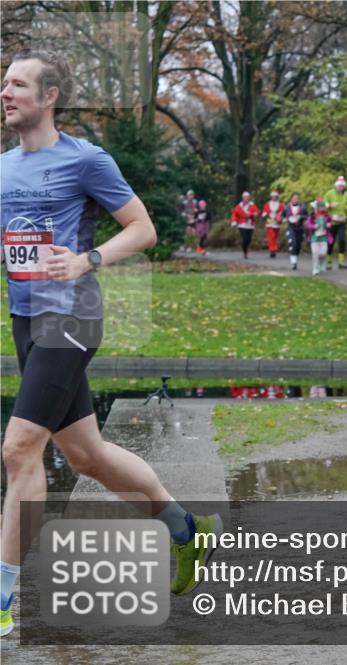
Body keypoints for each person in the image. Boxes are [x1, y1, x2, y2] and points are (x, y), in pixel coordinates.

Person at [0, 49, 220, 638]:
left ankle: (1, 597)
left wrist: (86, 260)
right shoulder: (3, 168)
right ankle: (185, 529)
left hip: (72, 316)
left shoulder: (85, 159)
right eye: (4, 84)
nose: (5, 92)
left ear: (49, 97)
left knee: (20, 449)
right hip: (26, 319)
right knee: (85, 455)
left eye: (17, 84)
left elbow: (143, 228)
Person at [323, 175, 347, 269]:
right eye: (339, 186)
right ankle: (329, 261)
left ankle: (341, 261)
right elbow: (322, 205)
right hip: (332, 222)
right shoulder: (329, 193)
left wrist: (346, 207)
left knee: (342, 240)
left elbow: (343, 204)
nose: (340, 187)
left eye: (342, 186)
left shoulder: (346, 194)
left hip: (342, 221)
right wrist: (330, 205)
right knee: (331, 241)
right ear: (336, 186)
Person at [306, 198, 332, 275]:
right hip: (314, 237)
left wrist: (329, 225)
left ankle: (322, 263)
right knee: (315, 253)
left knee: (323, 253)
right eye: (320, 207)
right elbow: (308, 225)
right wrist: (313, 226)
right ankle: (315, 268)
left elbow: (330, 222)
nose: (322, 208)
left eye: (323, 207)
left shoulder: (327, 216)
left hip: (324, 237)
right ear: (316, 207)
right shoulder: (312, 216)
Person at [230, 190, 258, 259]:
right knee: (245, 238)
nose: (246, 198)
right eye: (245, 197)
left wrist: (251, 214)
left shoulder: (252, 205)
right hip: (242, 224)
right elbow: (234, 214)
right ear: (242, 198)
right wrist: (234, 221)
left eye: (247, 197)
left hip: (250, 224)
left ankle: (246, 249)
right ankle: (245, 252)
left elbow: (256, 213)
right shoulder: (239, 206)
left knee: (249, 239)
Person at [284, 192, 306, 270]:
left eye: (297, 198)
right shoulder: (287, 207)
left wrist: (300, 217)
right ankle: (293, 262)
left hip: (300, 228)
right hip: (291, 227)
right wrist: (286, 219)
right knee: (293, 243)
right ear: (291, 199)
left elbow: (307, 216)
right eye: (294, 198)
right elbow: (282, 216)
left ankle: (295, 256)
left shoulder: (302, 207)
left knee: (298, 245)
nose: (295, 200)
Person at [261, 189, 284, 258]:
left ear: (277, 197)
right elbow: (264, 211)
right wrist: (264, 215)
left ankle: (273, 249)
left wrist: (281, 217)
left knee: (275, 236)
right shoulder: (267, 204)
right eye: (272, 196)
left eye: (275, 196)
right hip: (269, 221)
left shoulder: (280, 205)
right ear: (271, 197)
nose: (274, 197)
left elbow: (283, 212)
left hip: (277, 221)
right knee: (271, 236)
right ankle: (272, 250)